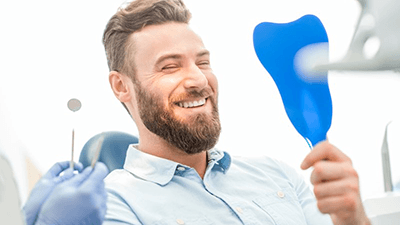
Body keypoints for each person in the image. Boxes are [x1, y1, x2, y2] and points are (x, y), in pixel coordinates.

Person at [102, 0, 371, 224]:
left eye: (203, 62)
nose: (199, 79)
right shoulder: (112, 205)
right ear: (121, 86)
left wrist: (352, 218)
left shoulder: (277, 175)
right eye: (170, 66)